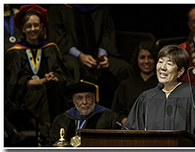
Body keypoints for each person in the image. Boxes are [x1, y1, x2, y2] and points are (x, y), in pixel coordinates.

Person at [122, 45, 195, 146]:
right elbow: (130, 129)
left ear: (180, 71)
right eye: (160, 62)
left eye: (169, 63)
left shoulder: (193, 94)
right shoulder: (147, 97)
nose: (162, 67)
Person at [5, 4, 73, 141]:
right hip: (25, 99)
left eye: (36, 25)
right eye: (29, 26)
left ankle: (46, 128)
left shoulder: (51, 49)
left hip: (50, 94)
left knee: (52, 87)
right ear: (22, 28)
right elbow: (11, 85)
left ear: (42, 27)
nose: (33, 29)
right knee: (41, 89)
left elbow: (65, 76)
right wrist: (37, 81)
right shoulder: (14, 52)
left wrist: (53, 77)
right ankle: (48, 129)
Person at [47, 4, 133, 108]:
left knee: (123, 68)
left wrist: (102, 55)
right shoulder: (60, 6)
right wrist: (80, 55)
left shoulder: (100, 6)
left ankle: (125, 113)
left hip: (97, 55)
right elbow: (58, 36)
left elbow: (108, 32)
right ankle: (76, 116)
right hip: (71, 55)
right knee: (73, 68)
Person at [45, 80, 119, 147]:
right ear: (74, 100)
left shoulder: (109, 117)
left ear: (94, 98)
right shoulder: (62, 119)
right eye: (80, 98)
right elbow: (51, 143)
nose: (84, 102)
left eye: (88, 97)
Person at [111, 41, 159, 125]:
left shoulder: (163, 85)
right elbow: (117, 113)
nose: (146, 61)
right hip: (130, 131)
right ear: (137, 59)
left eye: (150, 57)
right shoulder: (126, 85)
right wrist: (130, 124)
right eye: (142, 57)